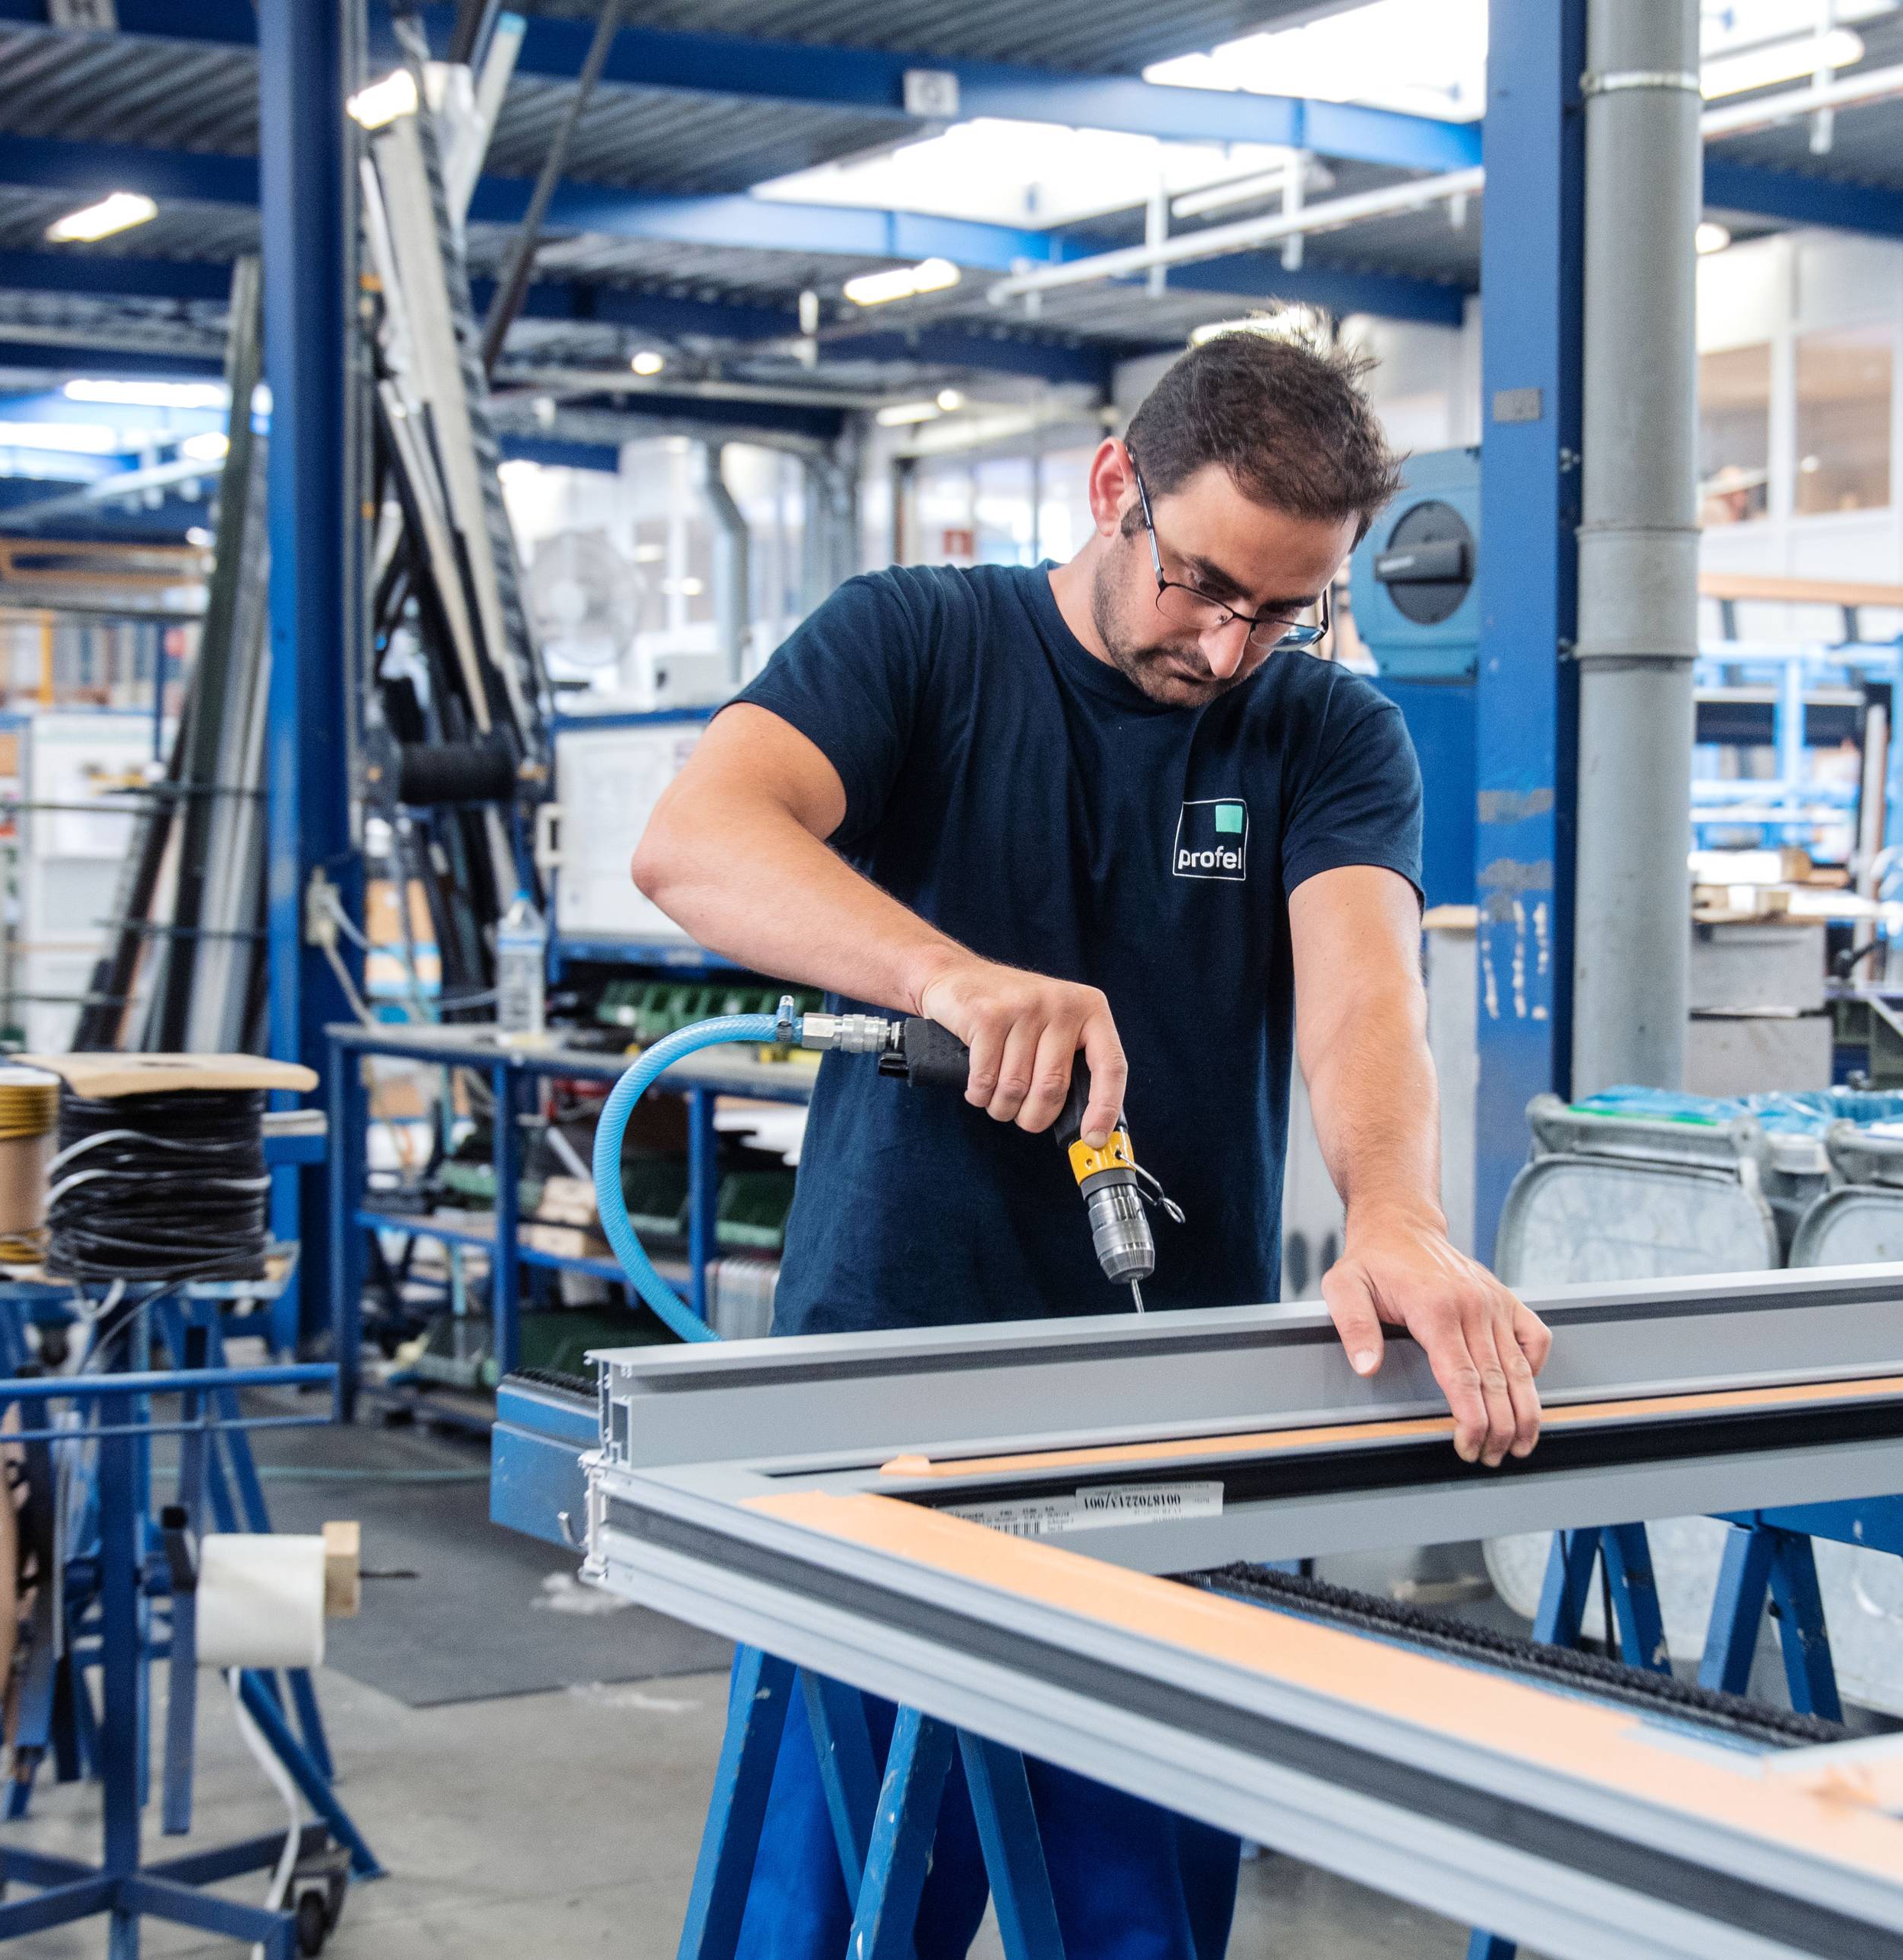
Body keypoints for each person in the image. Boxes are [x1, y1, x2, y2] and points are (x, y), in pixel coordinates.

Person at [631, 327, 1550, 1960]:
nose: (1233, 644)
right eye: (1205, 586)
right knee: (827, 1923)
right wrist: (947, 972)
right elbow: (695, 838)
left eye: (1285, 608)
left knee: (1136, 1929)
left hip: (1173, 1428)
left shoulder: (1326, 736)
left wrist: (1394, 1208)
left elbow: (1362, 994)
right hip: (884, 1415)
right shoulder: (917, 641)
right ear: (1114, 485)